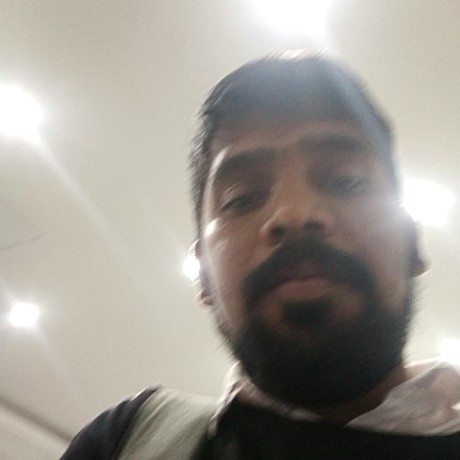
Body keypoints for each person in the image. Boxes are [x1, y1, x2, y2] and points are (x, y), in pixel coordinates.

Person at [61, 52, 460, 459]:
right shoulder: (126, 440)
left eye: (346, 181)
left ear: (413, 244)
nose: (294, 214)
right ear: (203, 274)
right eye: (242, 198)